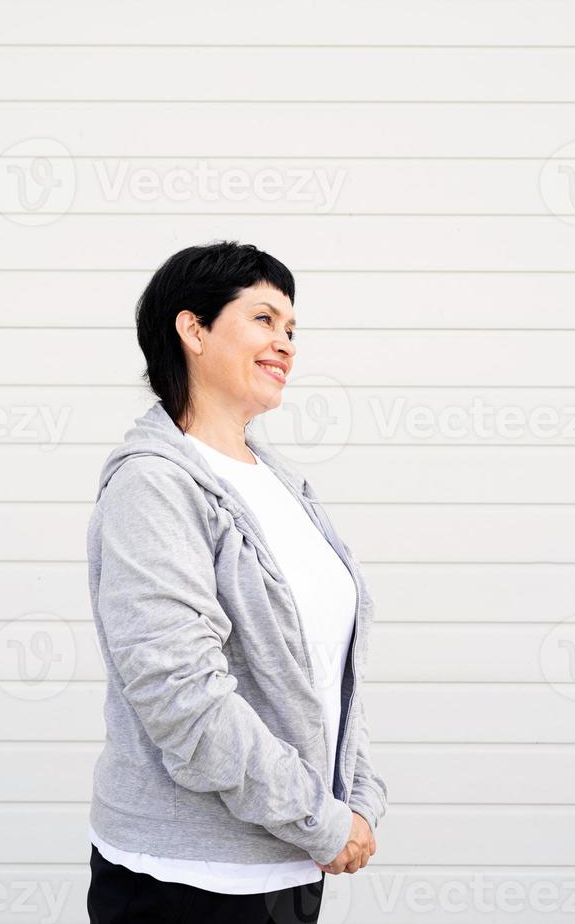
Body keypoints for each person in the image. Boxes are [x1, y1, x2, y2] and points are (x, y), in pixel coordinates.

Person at [85, 241, 388, 923]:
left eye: (291, 328)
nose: (285, 342)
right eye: (262, 319)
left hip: (286, 864)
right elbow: (180, 695)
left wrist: (356, 795)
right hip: (188, 882)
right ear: (192, 330)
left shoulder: (277, 481)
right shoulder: (153, 486)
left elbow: (326, 666)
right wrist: (321, 821)